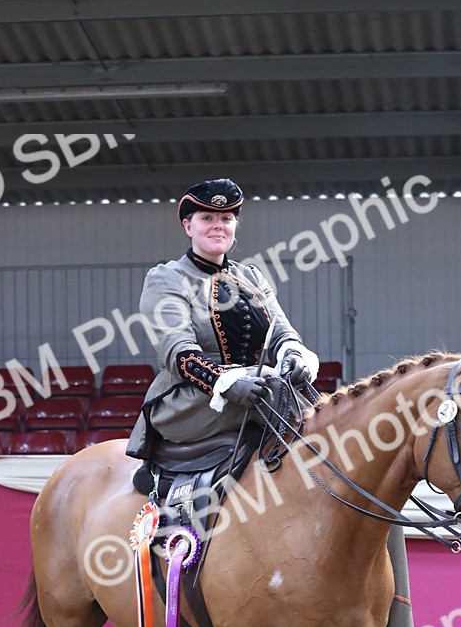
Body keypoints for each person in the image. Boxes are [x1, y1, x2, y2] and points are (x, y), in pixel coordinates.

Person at [126, 178, 319, 462]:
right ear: (188, 226)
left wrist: (295, 357)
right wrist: (228, 382)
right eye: (207, 218)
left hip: (258, 390)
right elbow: (179, 354)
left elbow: (281, 334)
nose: (218, 225)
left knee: (321, 403)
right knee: (273, 385)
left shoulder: (252, 277)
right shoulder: (167, 278)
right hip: (188, 400)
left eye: (226, 218)